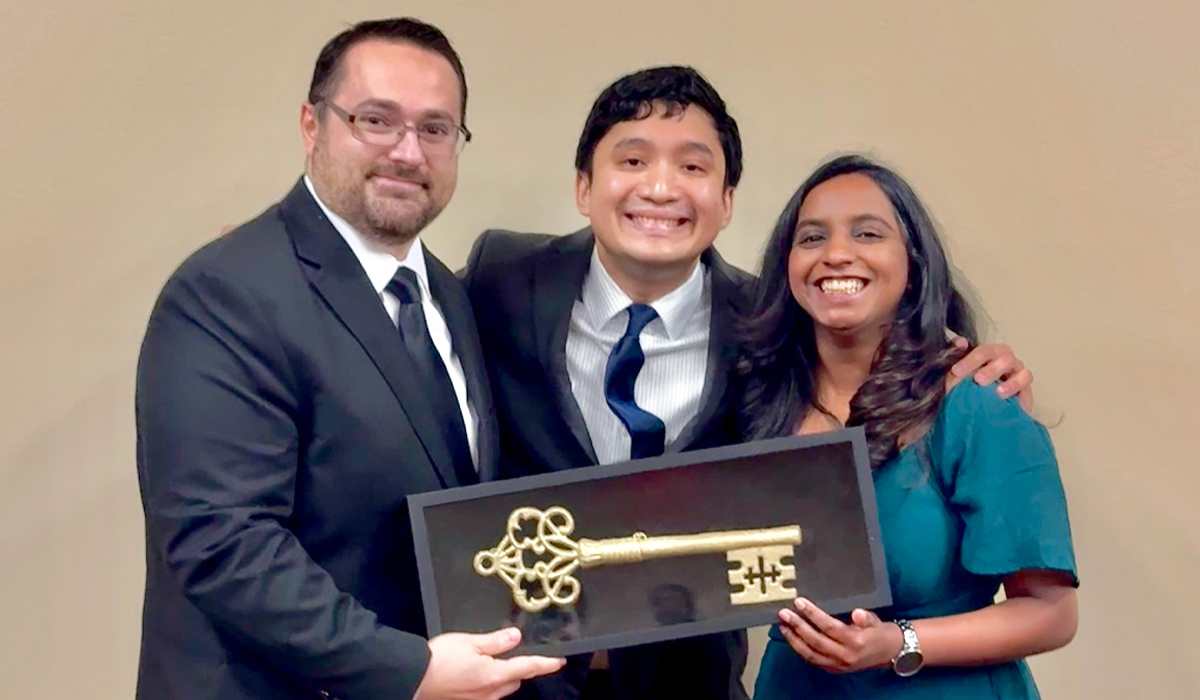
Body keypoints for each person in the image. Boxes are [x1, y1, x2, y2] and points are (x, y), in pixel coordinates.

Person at [462, 66, 1033, 700]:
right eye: (632, 159)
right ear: (583, 186)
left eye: (692, 167)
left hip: (690, 683)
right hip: (515, 678)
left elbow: (869, 376)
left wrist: (974, 377)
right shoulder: (501, 278)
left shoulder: (771, 327)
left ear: (726, 200)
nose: (659, 187)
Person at [134, 18, 563, 700]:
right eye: (376, 120)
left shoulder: (446, 294)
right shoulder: (228, 290)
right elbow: (223, 543)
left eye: (435, 128)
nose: (407, 151)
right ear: (312, 125)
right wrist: (412, 670)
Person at [738, 154, 1078, 699]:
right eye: (812, 238)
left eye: (868, 233)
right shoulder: (755, 402)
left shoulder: (977, 404)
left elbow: (1052, 614)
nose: (837, 254)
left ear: (913, 261)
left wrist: (897, 642)